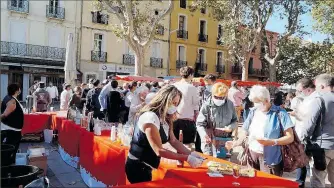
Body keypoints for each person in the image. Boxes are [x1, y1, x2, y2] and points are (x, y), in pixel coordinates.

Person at [125, 85, 205, 184]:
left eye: (176, 104)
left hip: (147, 165)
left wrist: (191, 153)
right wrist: (186, 158)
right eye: (173, 103)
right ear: (164, 100)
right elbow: (159, 150)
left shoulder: (165, 117)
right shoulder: (150, 117)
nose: (175, 107)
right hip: (137, 165)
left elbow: (173, 140)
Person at [237, 85, 294, 176]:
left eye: (258, 102)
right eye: (254, 102)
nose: (255, 105)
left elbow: (290, 137)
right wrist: (236, 142)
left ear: (267, 100)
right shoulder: (253, 111)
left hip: (271, 158)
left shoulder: (280, 113)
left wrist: (272, 142)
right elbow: (245, 130)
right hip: (252, 154)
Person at [297, 74, 334, 187]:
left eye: (316, 86)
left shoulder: (320, 99)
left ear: (322, 86)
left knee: (318, 179)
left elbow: (309, 124)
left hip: (322, 146)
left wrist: (301, 139)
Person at [196, 83, 238, 157]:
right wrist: (203, 135)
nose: (219, 99)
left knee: (224, 166)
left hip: (225, 142)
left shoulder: (230, 104)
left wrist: (231, 127)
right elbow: (200, 124)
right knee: (210, 163)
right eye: (216, 97)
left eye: (222, 97)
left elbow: (235, 120)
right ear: (212, 94)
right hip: (209, 141)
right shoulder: (206, 105)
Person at [293, 78, 316, 187]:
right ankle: (300, 184)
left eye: (300, 91)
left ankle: (301, 183)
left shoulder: (314, 100)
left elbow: (309, 120)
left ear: (307, 89)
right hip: (303, 135)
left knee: (307, 164)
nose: (298, 93)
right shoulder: (307, 99)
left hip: (307, 137)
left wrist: (296, 115)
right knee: (302, 163)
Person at [173, 66, 200, 151]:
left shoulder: (173, 86)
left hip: (173, 117)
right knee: (187, 145)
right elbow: (196, 104)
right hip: (187, 118)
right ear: (191, 75)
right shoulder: (192, 88)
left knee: (173, 142)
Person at [1, 83, 24, 164]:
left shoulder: (9, 98)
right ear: (17, 91)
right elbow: (4, 115)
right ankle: (7, 167)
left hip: (14, 129)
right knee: (10, 151)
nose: (20, 90)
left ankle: (9, 165)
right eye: (19, 88)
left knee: (11, 150)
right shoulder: (12, 101)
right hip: (11, 130)